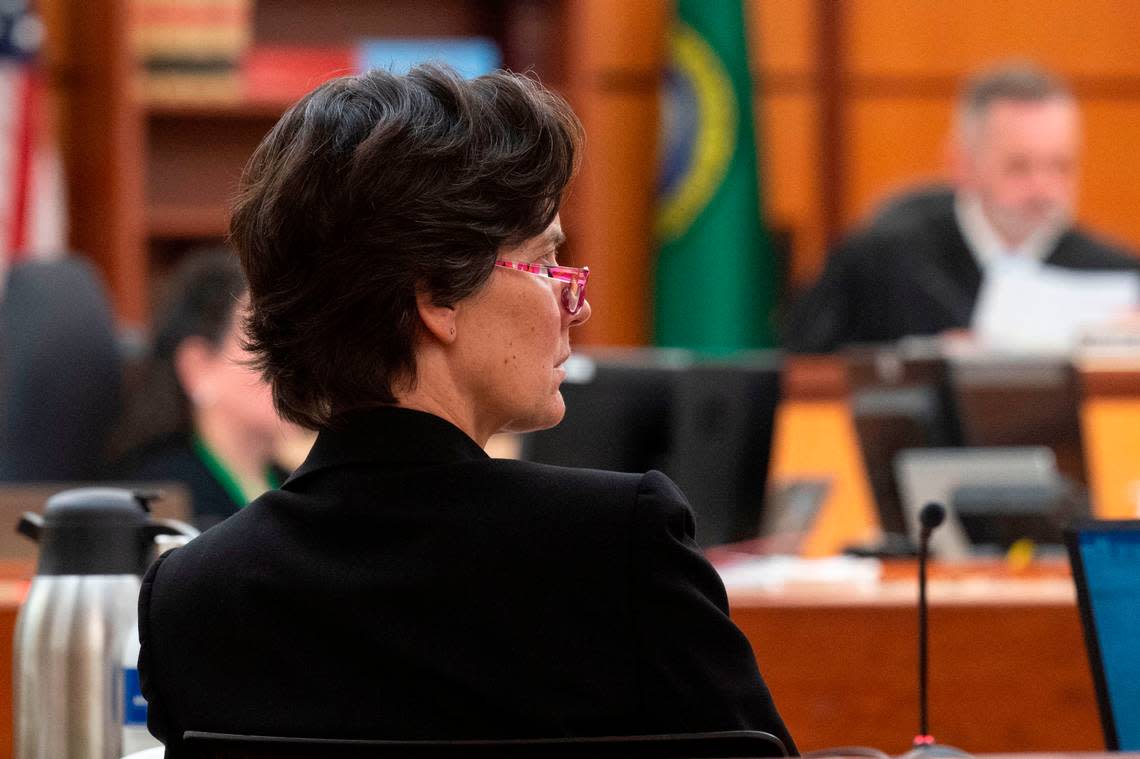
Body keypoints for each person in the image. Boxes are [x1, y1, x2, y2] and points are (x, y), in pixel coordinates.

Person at [137, 65, 796, 756]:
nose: (579, 305)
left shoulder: (190, 596)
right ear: (438, 299)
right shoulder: (616, 547)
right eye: (547, 264)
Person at [785, 62, 1140, 353]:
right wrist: (922, 364)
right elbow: (808, 372)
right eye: (1020, 167)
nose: (1044, 189)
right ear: (962, 166)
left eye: (1060, 166)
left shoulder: (1115, 274)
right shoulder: (882, 264)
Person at [106, 250, 286, 529]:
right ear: (198, 367)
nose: (293, 362)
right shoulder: (157, 495)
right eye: (264, 342)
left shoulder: (300, 481)